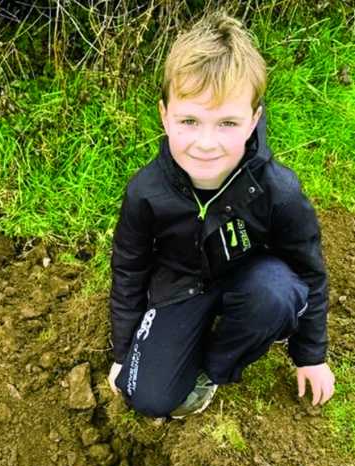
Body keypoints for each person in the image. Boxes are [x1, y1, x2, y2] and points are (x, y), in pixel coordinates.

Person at [107, 11, 335, 419]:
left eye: (227, 122)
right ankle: (184, 336)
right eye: (189, 121)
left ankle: (215, 366)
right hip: (179, 287)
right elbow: (129, 269)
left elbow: (310, 272)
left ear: (253, 120)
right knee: (147, 398)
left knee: (277, 295)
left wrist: (311, 355)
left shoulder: (279, 191)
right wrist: (123, 352)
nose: (206, 143)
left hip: (251, 280)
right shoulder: (145, 192)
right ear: (164, 116)